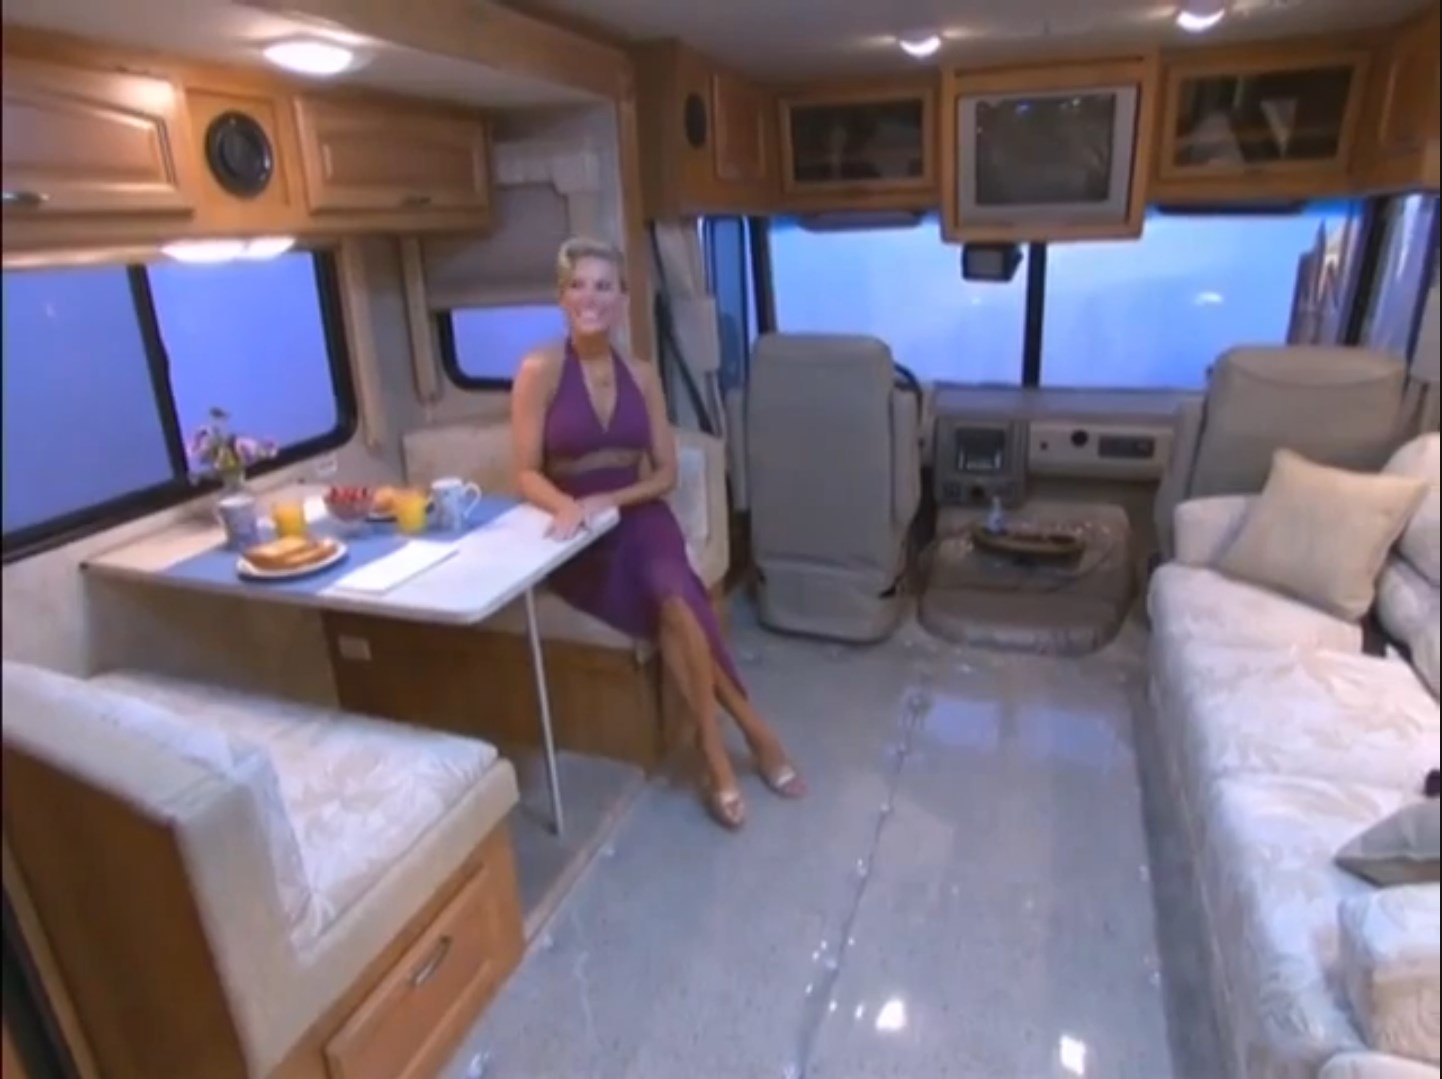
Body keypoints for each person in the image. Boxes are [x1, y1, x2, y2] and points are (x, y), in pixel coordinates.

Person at [509, 236, 806, 831]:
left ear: (622, 300)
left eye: (604, 286)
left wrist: (608, 499)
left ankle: (718, 749)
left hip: (638, 515)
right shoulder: (538, 371)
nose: (590, 296)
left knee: (675, 597)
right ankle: (748, 734)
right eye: (578, 285)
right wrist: (569, 505)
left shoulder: (642, 375)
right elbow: (523, 472)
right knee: (675, 606)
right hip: (583, 541)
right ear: (561, 297)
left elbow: (666, 473)